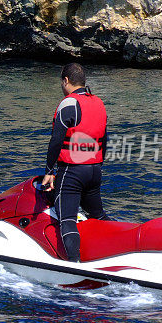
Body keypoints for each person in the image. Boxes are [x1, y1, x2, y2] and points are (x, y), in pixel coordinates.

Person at [41, 63, 110, 262]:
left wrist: (49, 171)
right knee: (98, 215)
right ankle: (119, 249)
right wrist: (96, 165)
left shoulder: (68, 103)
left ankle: (74, 265)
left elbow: (56, 140)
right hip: (94, 170)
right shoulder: (99, 103)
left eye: (61, 82)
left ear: (66, 81)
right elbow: (104, 139)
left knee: (67, 220)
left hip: (72, 171)